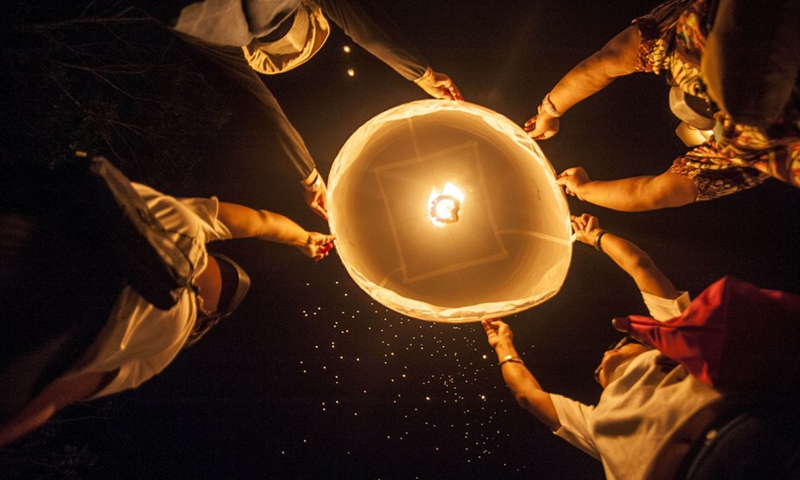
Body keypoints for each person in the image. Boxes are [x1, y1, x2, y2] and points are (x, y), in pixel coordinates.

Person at [0, 161, 336, 448]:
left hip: (30, 238)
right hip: (40, 321)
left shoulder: (185, 226)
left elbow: (260, 222)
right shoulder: (167, 344)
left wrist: (305, 238)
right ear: (211, 315)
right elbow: (61, 394)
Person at [134, 0, 463, 219]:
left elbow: (361, 23)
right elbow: (257, 104)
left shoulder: (202, 26)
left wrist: (423, 74)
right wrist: (307, 178)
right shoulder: (202, 28)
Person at [481, 213, 723, 479]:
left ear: (648, 345)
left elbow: (641, 265)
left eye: (620, 344)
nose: (606, 354)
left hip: (733, 442)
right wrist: (502, 344)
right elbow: (527, 396)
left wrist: (596, 237)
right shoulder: (601, 421)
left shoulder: (679, 345)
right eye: (599, 373)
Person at [524, 0, 799, 212]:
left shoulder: (744, 149)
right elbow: (605, 63)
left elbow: (655, 193)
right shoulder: (684, 46)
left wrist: (585, 188)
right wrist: (549, 111)